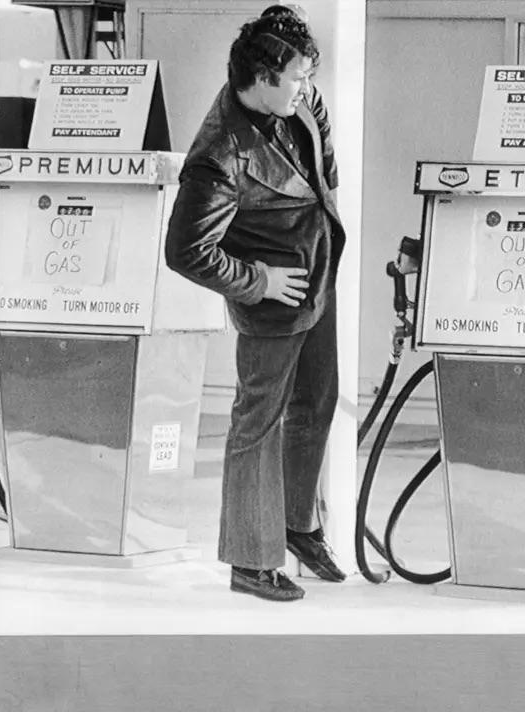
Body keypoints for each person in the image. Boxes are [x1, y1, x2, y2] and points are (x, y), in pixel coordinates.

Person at [165, 10, 346, 601]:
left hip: (319, 276)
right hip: (273, 299)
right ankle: (250, 558)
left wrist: (329, 199)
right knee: (257, 424)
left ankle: (296, 526)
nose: (306, 85)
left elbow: (318, 126)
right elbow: (186, 251)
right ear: (265, 77)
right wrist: (258, 281)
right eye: (296, 76)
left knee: (318, 401)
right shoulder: (220, 155)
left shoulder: (297, 98)